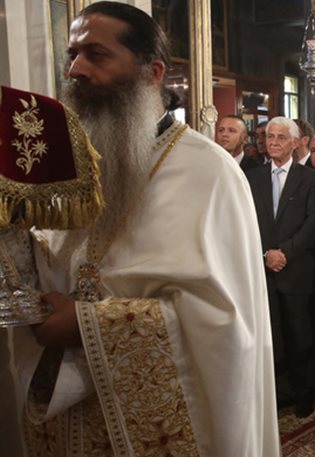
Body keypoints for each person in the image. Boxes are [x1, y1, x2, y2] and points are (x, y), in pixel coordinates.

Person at [1, 2, 279, 455]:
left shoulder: (209, 173)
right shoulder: (67, 170)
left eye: (96, 54)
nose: (75, 70)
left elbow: (226, 329)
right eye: (72, 54)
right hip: (68, 412)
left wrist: (88, 324)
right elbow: (51, 266)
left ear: (152, 73)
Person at [246, 116, 315, 418]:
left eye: (280, 137)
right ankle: (279, 392)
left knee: (299, 333)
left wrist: (284, 252)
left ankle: (304, 393)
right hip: (263, 268)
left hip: (296, 268)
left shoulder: (311, 179)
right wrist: (266, 253)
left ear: (295, 142)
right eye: (270, 137)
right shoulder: (252, 177)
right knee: (271, 334)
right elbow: (246, 221)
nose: (273, 142)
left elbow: (313, 223)